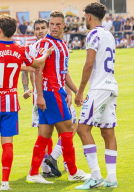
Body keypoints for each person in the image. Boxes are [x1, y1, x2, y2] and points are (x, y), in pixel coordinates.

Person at [0, 15, 53, 190]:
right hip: (11, 102)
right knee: (8, 143)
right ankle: (5, 182)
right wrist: (46, 54)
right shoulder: (21, 50)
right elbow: (36, 65)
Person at [26, 11, 89, 184]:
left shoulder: (61, 43)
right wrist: (39, 95)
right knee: (68, 129)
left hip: (56, 90)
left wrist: (76, 90)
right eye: (51, 24)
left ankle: (33, 173)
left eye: (57, 24)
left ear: (63, 26)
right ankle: (73, 172)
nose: (54, 27)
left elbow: (64, 72)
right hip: (51, 91)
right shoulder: (46, 44)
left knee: (45, 134)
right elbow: (38, 69)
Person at [74, 2, 119, 189]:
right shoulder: (109, 35)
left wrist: (80, 90)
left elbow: (88, 64)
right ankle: (111, 178)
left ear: (89, 17)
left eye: (85, 17)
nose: (85, 20)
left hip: (98, 88)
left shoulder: (93, 34)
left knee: (82, 129)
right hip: (111, 87)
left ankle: (96, 176)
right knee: (107, 132)